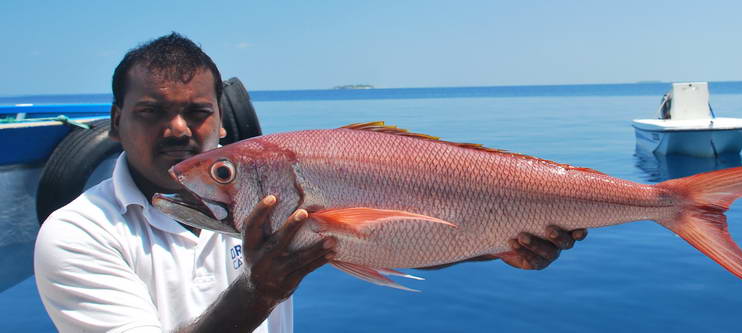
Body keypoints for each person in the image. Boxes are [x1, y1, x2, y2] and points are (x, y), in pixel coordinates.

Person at [34, 32, 587, 332]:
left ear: (222, 122)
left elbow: (399, 233)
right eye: (151, 111)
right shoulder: (78, 236)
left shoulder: (240, 202)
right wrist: (260, 291)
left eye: (197, 112)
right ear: (114, 121)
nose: (178, 129)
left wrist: (499, 243)